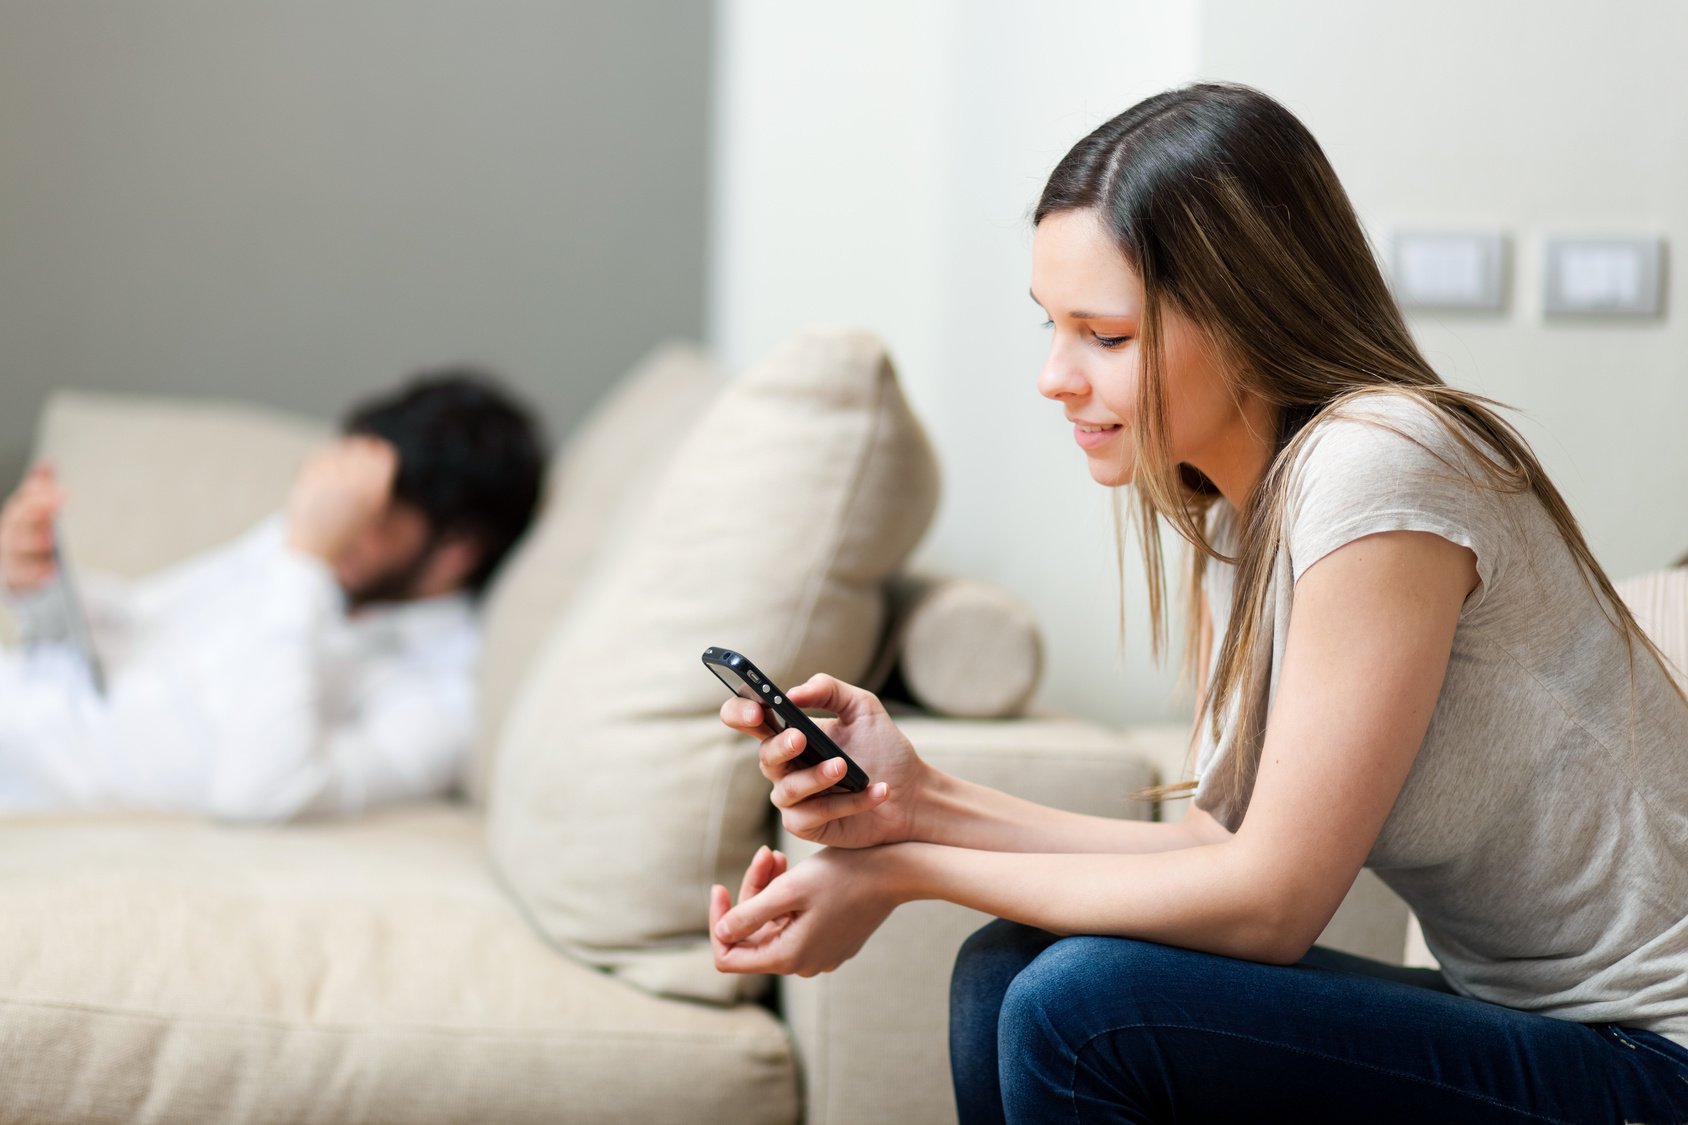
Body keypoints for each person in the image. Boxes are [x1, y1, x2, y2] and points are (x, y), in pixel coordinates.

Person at [706, 83, 1688, 1122]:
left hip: (1654, 1063)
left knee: (1085, 1007)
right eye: (1053, 326)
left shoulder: (1381, 465)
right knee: (1008, 967)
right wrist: (912, 802)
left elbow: (1267, 904)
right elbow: (1214, 855)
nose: (1052, 376)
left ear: (1247, 313)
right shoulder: (1240, 515)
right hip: (1545, 1032)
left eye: (1106, 336)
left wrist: (898, 873)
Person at [0, 370, 544, 821]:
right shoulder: (311, 549)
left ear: (457, 549)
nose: (341, 516)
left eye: (372, 511)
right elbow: (142, 621)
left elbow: (259, 794)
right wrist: (37, 583)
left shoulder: (438, 700)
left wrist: (307, 559)